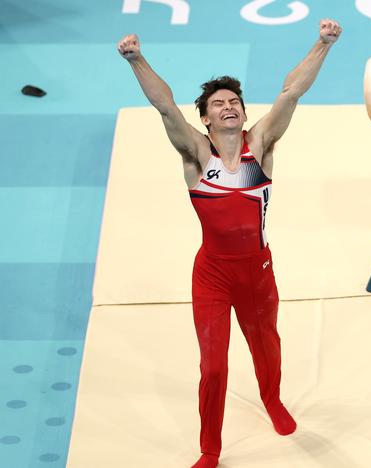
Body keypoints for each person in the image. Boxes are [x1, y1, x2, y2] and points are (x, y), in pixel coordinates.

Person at [117, 19, 342, 468]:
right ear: (205, 117)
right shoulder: (197, 155)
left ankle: (273, 401)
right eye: (217, 104)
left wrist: (323, 43)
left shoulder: (260, 145)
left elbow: (291, 93)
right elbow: (165, 109)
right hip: (214, 275)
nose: (228, 107)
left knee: (266, 348)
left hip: (257, 273)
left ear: (243, 111)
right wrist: (136, 59)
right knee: (214, 366)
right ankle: (210, 448)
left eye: (234, 101)